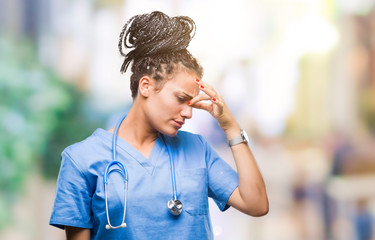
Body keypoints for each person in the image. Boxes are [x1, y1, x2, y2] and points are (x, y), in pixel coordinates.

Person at [49, 11, 268, 240]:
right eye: (181, 99)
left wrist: (231, 128)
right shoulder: (81, 160)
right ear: (146, 86)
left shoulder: (197, 149)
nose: (188, 113)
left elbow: (257, 204)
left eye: (192, 103)